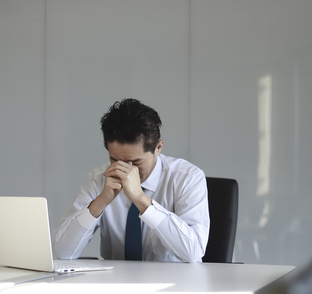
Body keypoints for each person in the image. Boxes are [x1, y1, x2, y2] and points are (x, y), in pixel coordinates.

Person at [52, 98, 209, 263]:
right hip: (116, 282)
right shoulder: (98, 178)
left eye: (136, 162)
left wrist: (141, 200)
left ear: (158, 148)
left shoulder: (187, 177)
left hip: (175, 284)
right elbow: (61, 253)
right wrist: (100, 203)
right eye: (115, 160)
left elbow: (194, 252)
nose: (127, 170)